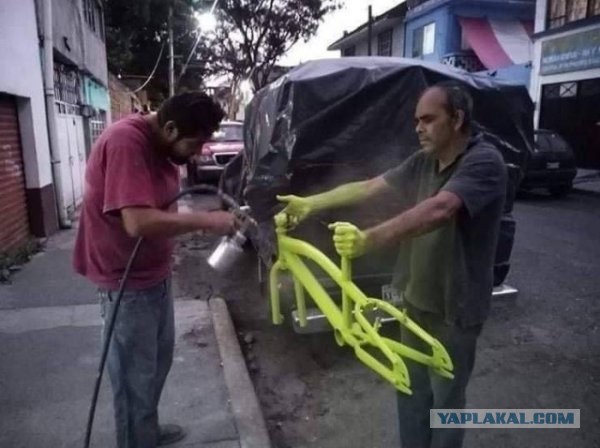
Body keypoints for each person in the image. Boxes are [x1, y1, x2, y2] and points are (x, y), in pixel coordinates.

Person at [278, 82, 507, 448]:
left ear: (457, 119)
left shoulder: (484, 162)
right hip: (416, 301)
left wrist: (369, 239)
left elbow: (441, 209)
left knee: (447, 402)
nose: (418, 128)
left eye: (429, 119)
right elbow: (369, 187)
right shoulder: (424, 162)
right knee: (410, 389)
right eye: (417, 120)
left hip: (456, 307)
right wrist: (311, 203)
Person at [73, 92, 236, 447]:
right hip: (125, 281)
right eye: (195, 145)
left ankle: (145, 429)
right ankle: (137, 438)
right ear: (171, 127)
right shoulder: (126, 141)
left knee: (155, 366)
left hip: (154, 274)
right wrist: (207, 221)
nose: (196, 154)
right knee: (134, 378)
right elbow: (136, 221)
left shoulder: (161, 144)